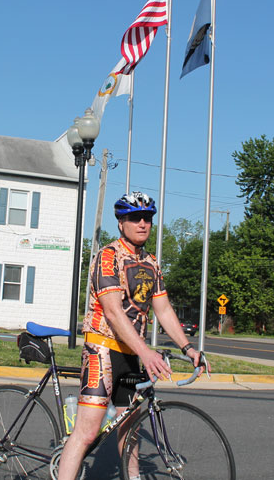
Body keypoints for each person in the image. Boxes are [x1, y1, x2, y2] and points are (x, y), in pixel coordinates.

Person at [57, 192, 205, 480]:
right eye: (135, 218)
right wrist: (147, 352)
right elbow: (113, 313)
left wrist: (188, 348)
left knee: (130, 432)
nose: (142, 223)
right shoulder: (108, 256)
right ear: (121, 222)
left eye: (147, 218)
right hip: (102, 349)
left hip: (130, 354)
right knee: (87, 433)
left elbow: (163, 309)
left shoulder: (151, 262)